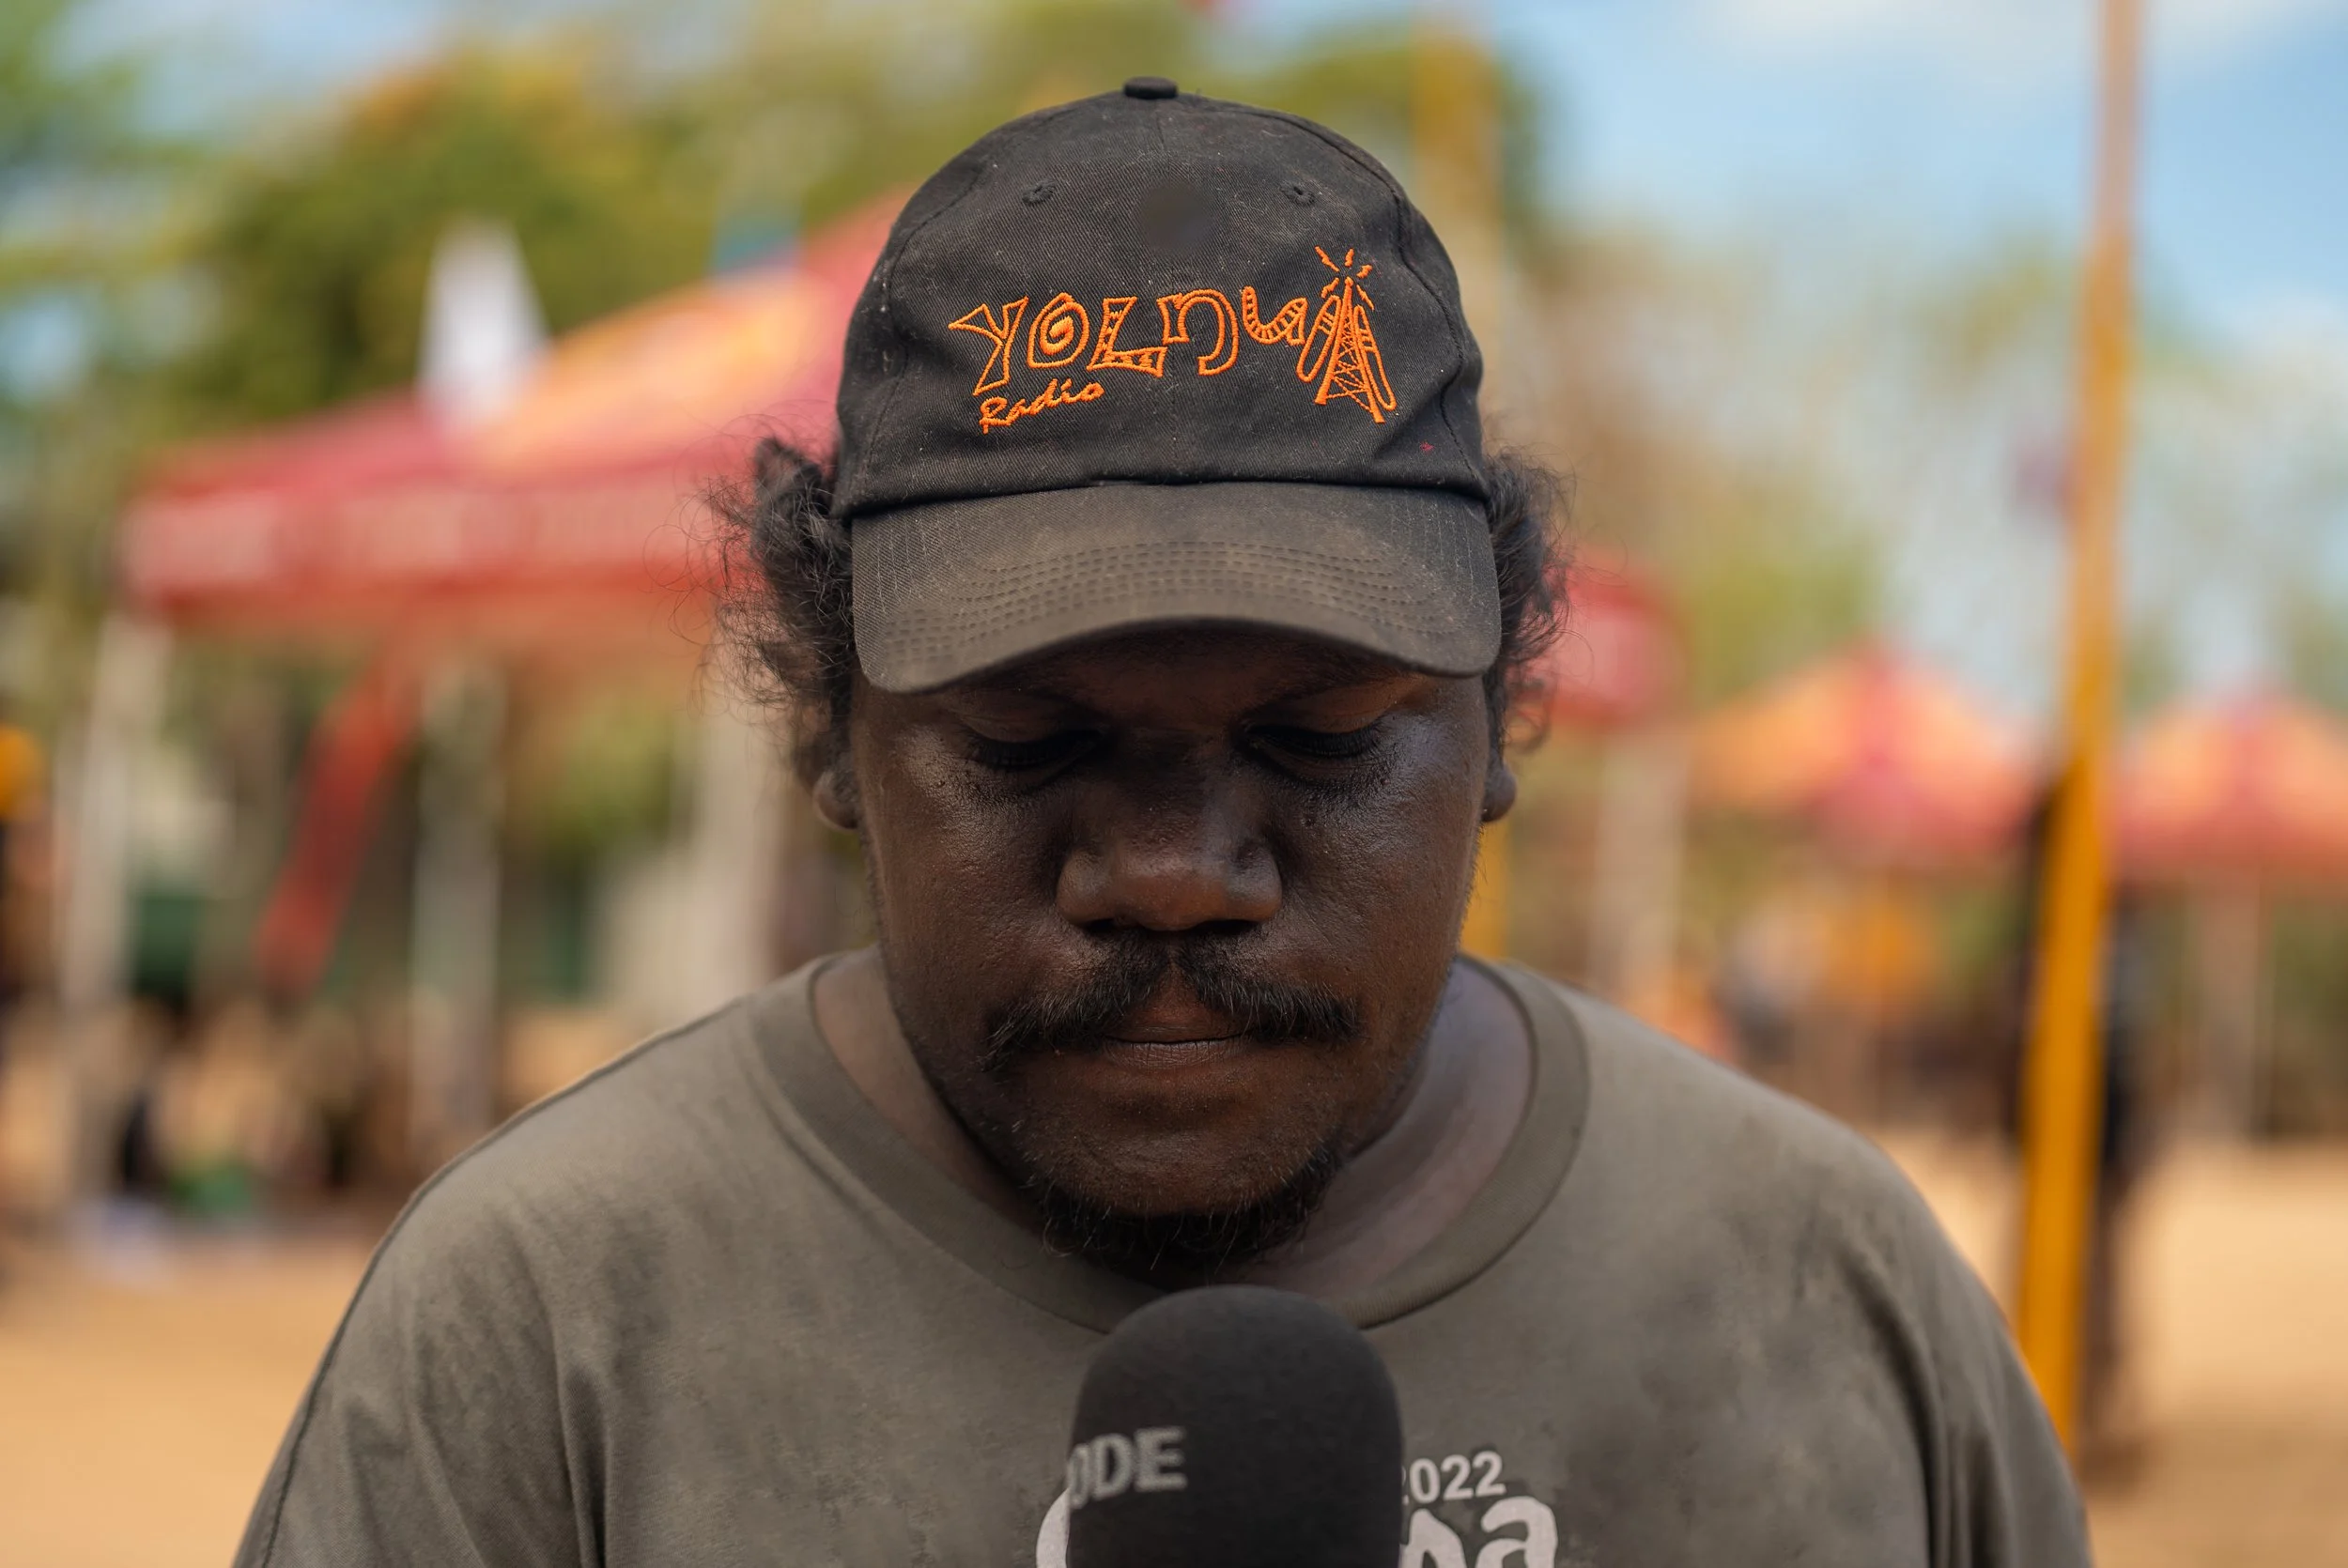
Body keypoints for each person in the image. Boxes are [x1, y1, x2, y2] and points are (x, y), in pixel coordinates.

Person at [236, 84, 2086, 1567]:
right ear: (831, 732)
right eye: (1033, 744)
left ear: (1499, 723)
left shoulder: (1819, 1292)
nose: (1180, 870)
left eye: (1319, 737)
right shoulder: (545, 1327)